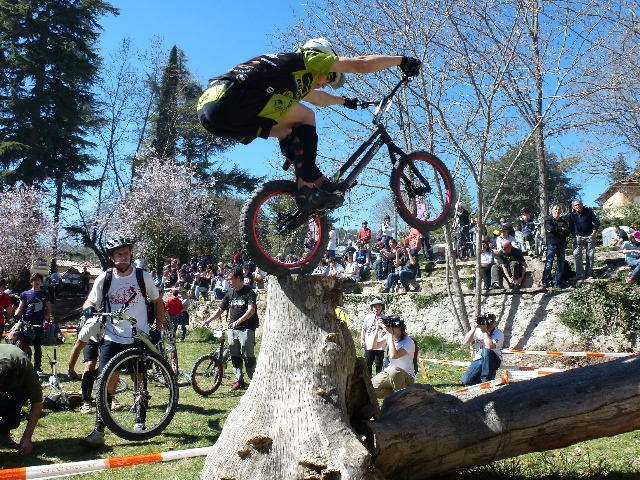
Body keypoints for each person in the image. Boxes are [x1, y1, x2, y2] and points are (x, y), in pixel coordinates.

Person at [197, 38, 420, 210]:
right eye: (331, 77)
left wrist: (348, 102)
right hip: (229, 97)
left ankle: (318, 183)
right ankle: (307, 189)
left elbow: (320, 98)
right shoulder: (307, 59)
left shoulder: (295, 77)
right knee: (307, 117)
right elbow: (361, 65)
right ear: (324, 58)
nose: (326, 84)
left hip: (211, 111)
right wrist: (401, 60)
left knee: (287, 131)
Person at [79, 236, 164, 447]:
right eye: (118, 254)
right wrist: (88, 308)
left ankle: (140, 421)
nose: (123, 257)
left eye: (126, 253)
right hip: (112, 336)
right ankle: (99, 430)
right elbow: (90, 300)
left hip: (138, 336)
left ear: (131, 255)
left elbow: (158, 302)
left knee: (139, 381)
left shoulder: (143, 277)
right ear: (111, 257)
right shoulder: (105, 278)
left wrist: (158, 329)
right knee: (107, 383)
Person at [201, 267, 259, 391]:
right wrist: (208, 320)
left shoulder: (248, 292)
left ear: (238, 278)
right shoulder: (230, 294)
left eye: (230, 279)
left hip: (247, 328)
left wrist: (239, 321)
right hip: (232, 329)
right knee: (235, 355)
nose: (229, 282)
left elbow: (251, 310)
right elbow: (220, 310)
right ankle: (238, 380)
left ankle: (255, 379)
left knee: (248, 354)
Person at [0, 344, 43, 453]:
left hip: (18, 379)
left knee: (19, 395)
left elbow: (37, 401)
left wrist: (27, 437)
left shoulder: (25, 368)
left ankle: (3, 433)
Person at [14, 273, 52, 375]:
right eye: (35, 280)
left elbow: (49, 309)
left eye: (38, 280)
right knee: (22, 344)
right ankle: (21, 365)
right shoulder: (25, 294)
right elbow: (21, 307)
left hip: (39, 324)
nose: (37, 282)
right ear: (31, 282)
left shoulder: (45, 294)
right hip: (26, 323)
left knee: (37, 346)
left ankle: (37, 367)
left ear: (41, 282)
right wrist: (16, 316)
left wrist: (46, 319)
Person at [371, 316, 415, 398]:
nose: (391, 329)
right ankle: (399, 395)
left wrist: (390, 336)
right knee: (370, 388)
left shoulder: (408, 342)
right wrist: (377, 330)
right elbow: (373, 347)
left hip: (407, 377)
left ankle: (402, 401)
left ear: (400, 327)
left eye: (393, 327)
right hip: (389, 373)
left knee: (393, 370)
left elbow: (394, 355)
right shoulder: (389, 337)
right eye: (389, 326)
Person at [461, 313, 504, 386]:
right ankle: (483, 381)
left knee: (486, 350)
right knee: (466, 381)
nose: (489, 325)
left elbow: (490, 346)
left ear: (495, 322)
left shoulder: (499, 333)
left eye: (491, 323)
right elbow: (467, 341)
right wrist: (474, 328)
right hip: (479, 359)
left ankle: (486, 380)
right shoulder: (478, 330)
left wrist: (484, 331)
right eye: (487, 323)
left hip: (493, 360)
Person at [568, 199, 600, 280]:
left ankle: (589, 274)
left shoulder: (588, 212)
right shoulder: (572, 215)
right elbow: (571, 225)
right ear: (573, 207)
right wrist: (573, 233)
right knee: (576, 254)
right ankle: (580, 274)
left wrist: (594, 231)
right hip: (578, 236)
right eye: (575, 205)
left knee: (590, 255)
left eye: (579, 204)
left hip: (589, 235)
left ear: (582, 204)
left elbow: (596, 221)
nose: (577, 206)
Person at [542, 204, 571, 289]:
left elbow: (567, 232)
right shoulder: (548, 220)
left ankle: (557, 283)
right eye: (555, 209)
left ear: (561, 211)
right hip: (551, 244)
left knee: (560, 265)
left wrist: (557, 230)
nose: (557, 211)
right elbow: (550, 229)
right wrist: (561, 229)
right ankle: (545, 281)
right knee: (549, 263)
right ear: (552, 210)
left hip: (561, 244)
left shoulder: (563, 221)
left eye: (559, 209)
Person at [360, 297, 388, 376]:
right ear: (372, 307)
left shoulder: (385, 318)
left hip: (379, 345)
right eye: (375, 306)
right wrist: (362, 340)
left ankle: (377, 381)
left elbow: (388, 331)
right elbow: (364, 329)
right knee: (367, 363)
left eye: (379, 306)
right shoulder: (368, 317)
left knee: (379, 364)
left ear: (382, 307)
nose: (376, 308)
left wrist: (384, 332)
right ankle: (368, 381)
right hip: (368, 344)